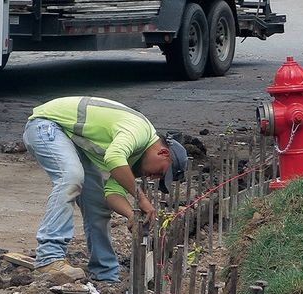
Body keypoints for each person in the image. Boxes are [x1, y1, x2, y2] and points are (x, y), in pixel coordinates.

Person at [22, 96, 188, 283]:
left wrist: (130, 214)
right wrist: (140, 198)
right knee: (70, 177)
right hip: (47, 125)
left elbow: (111, 194)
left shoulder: (135, 159)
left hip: (71, 140)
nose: (154, 178)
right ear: (163, 153)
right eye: (161, 172)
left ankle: (106, 275)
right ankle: (49, 258)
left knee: (97, 203)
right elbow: (114, 157)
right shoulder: (139, 130)